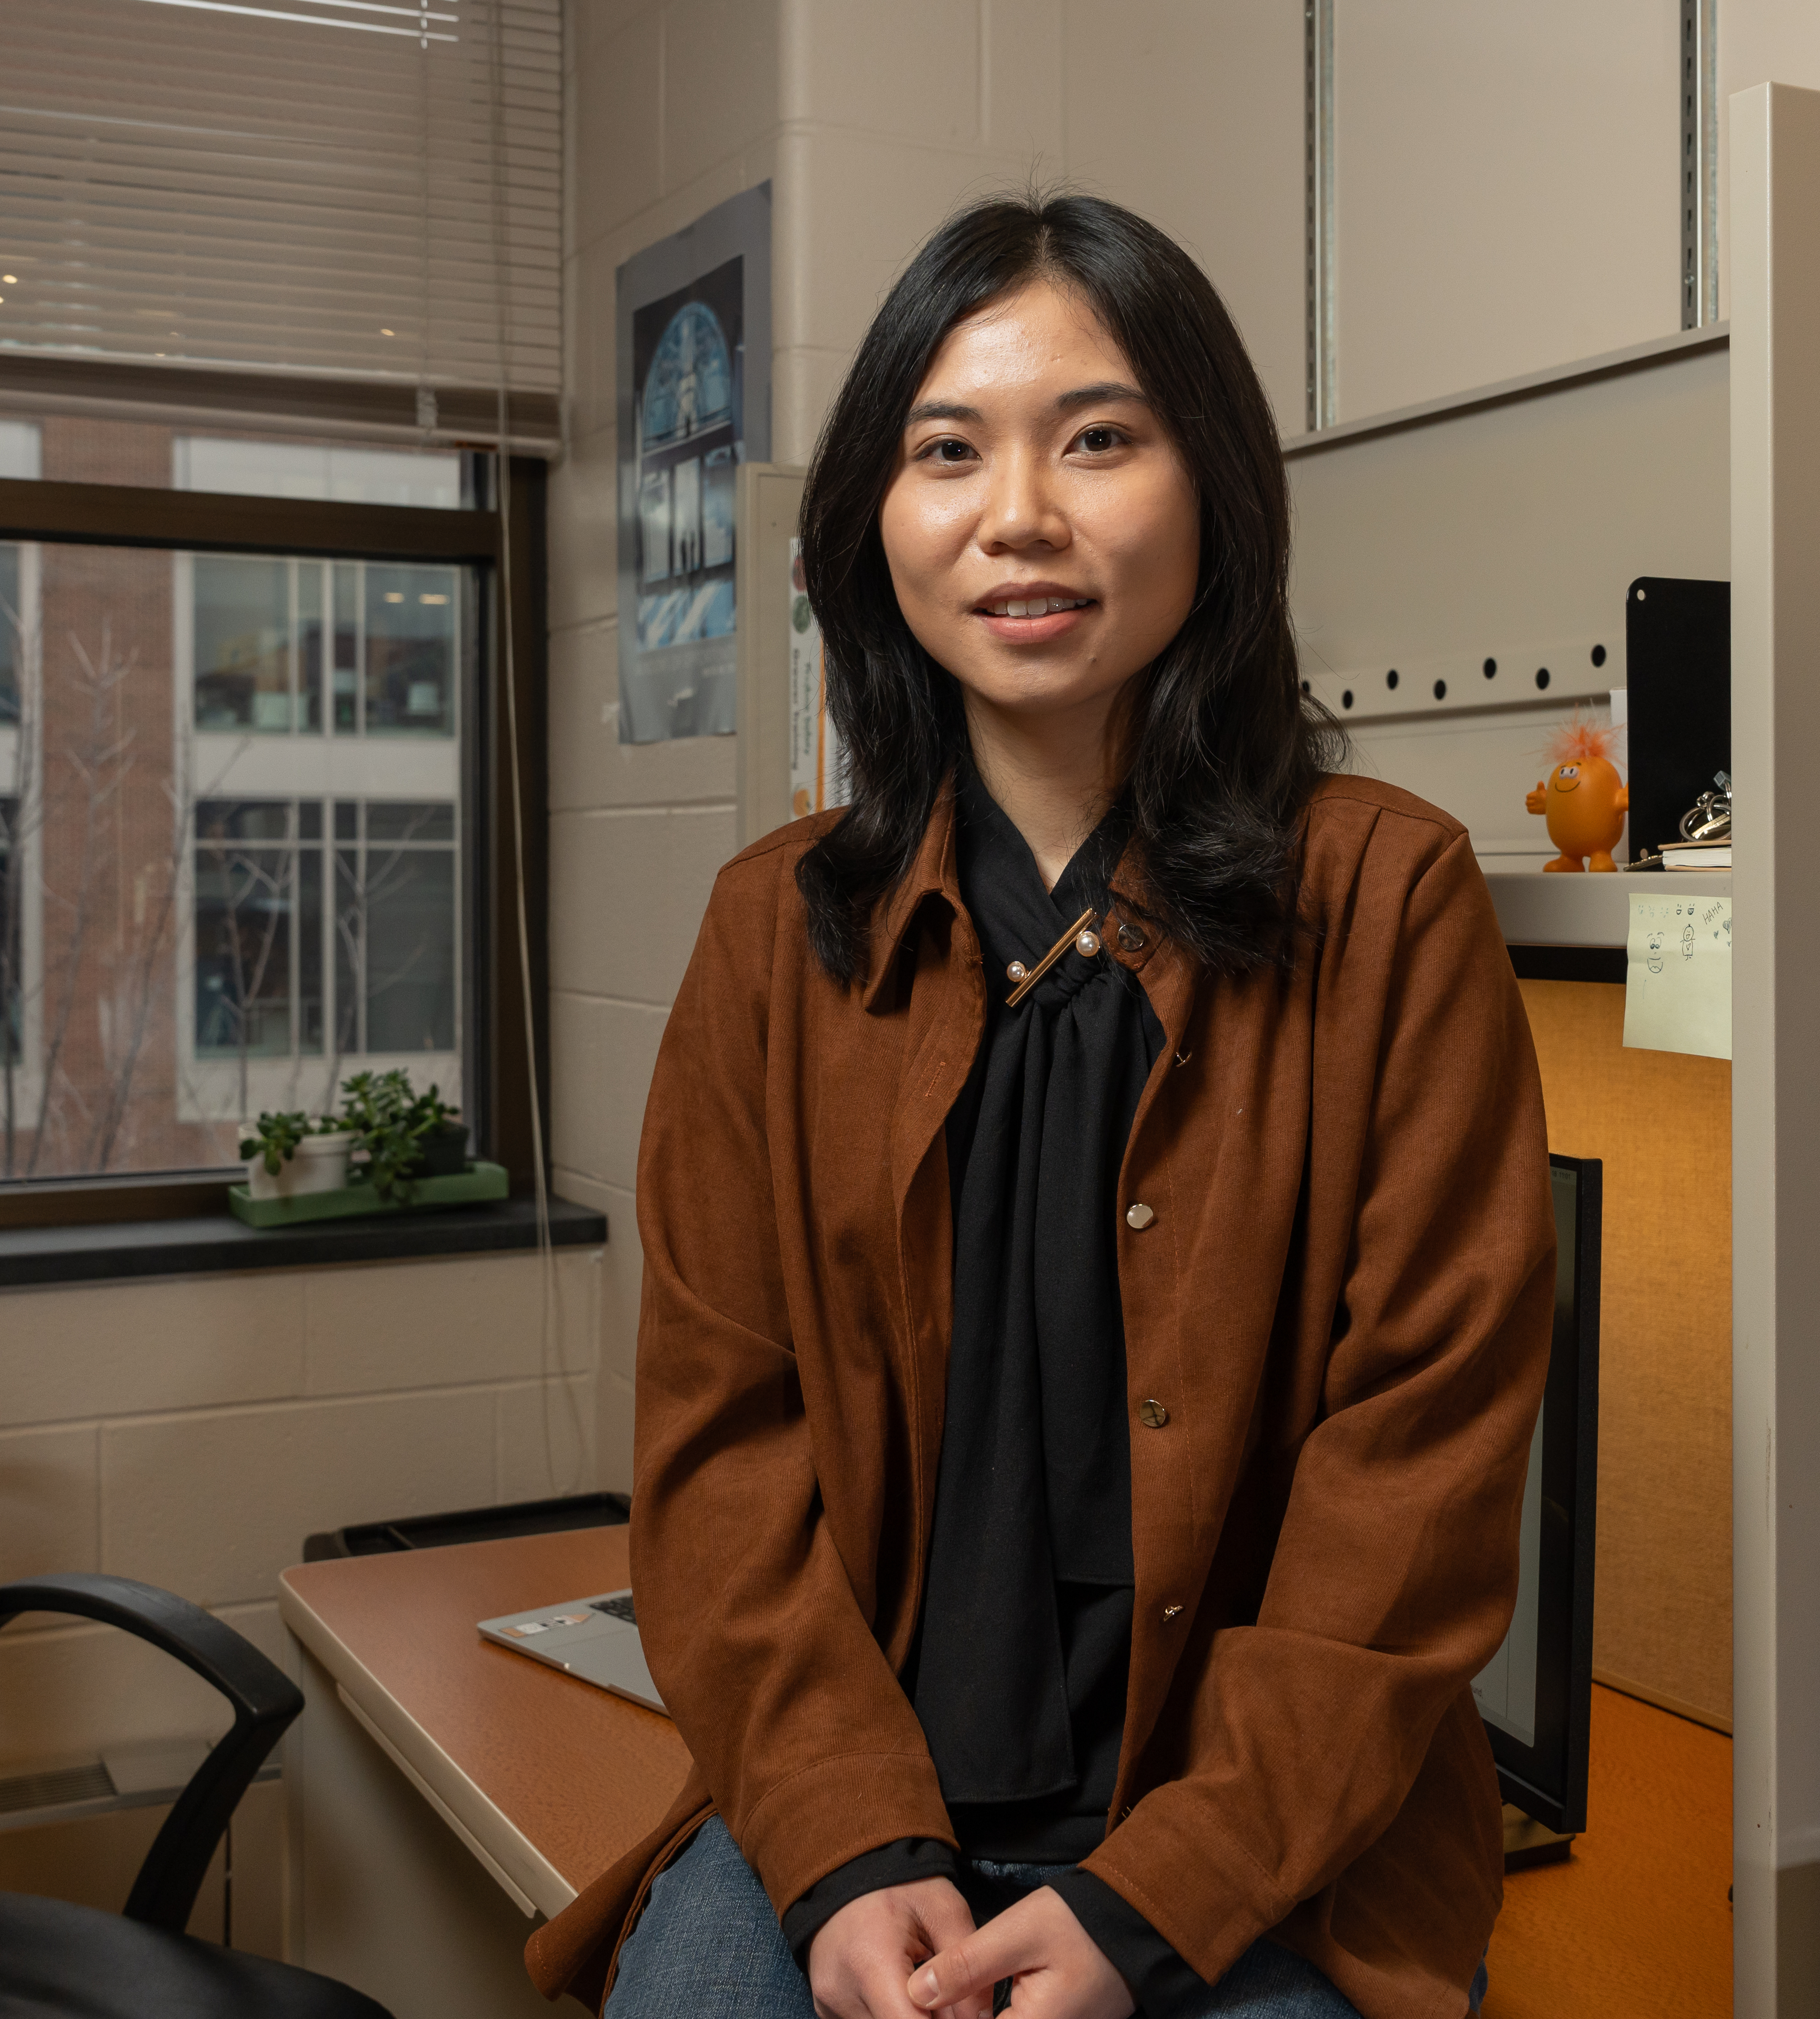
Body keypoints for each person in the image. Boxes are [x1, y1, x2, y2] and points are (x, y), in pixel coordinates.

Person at [522, 193, 1554, 2019]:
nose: (1019, 515)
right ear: (876, 522)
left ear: (1211, 487)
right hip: (851, 1814)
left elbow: (1417, 1467)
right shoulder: (776, 931)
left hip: (1248, 1847)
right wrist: (843, 1842)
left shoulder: (1386, 902)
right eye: (947, 451)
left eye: (1098, 438)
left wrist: (1157, 1893)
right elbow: (717, 1450)